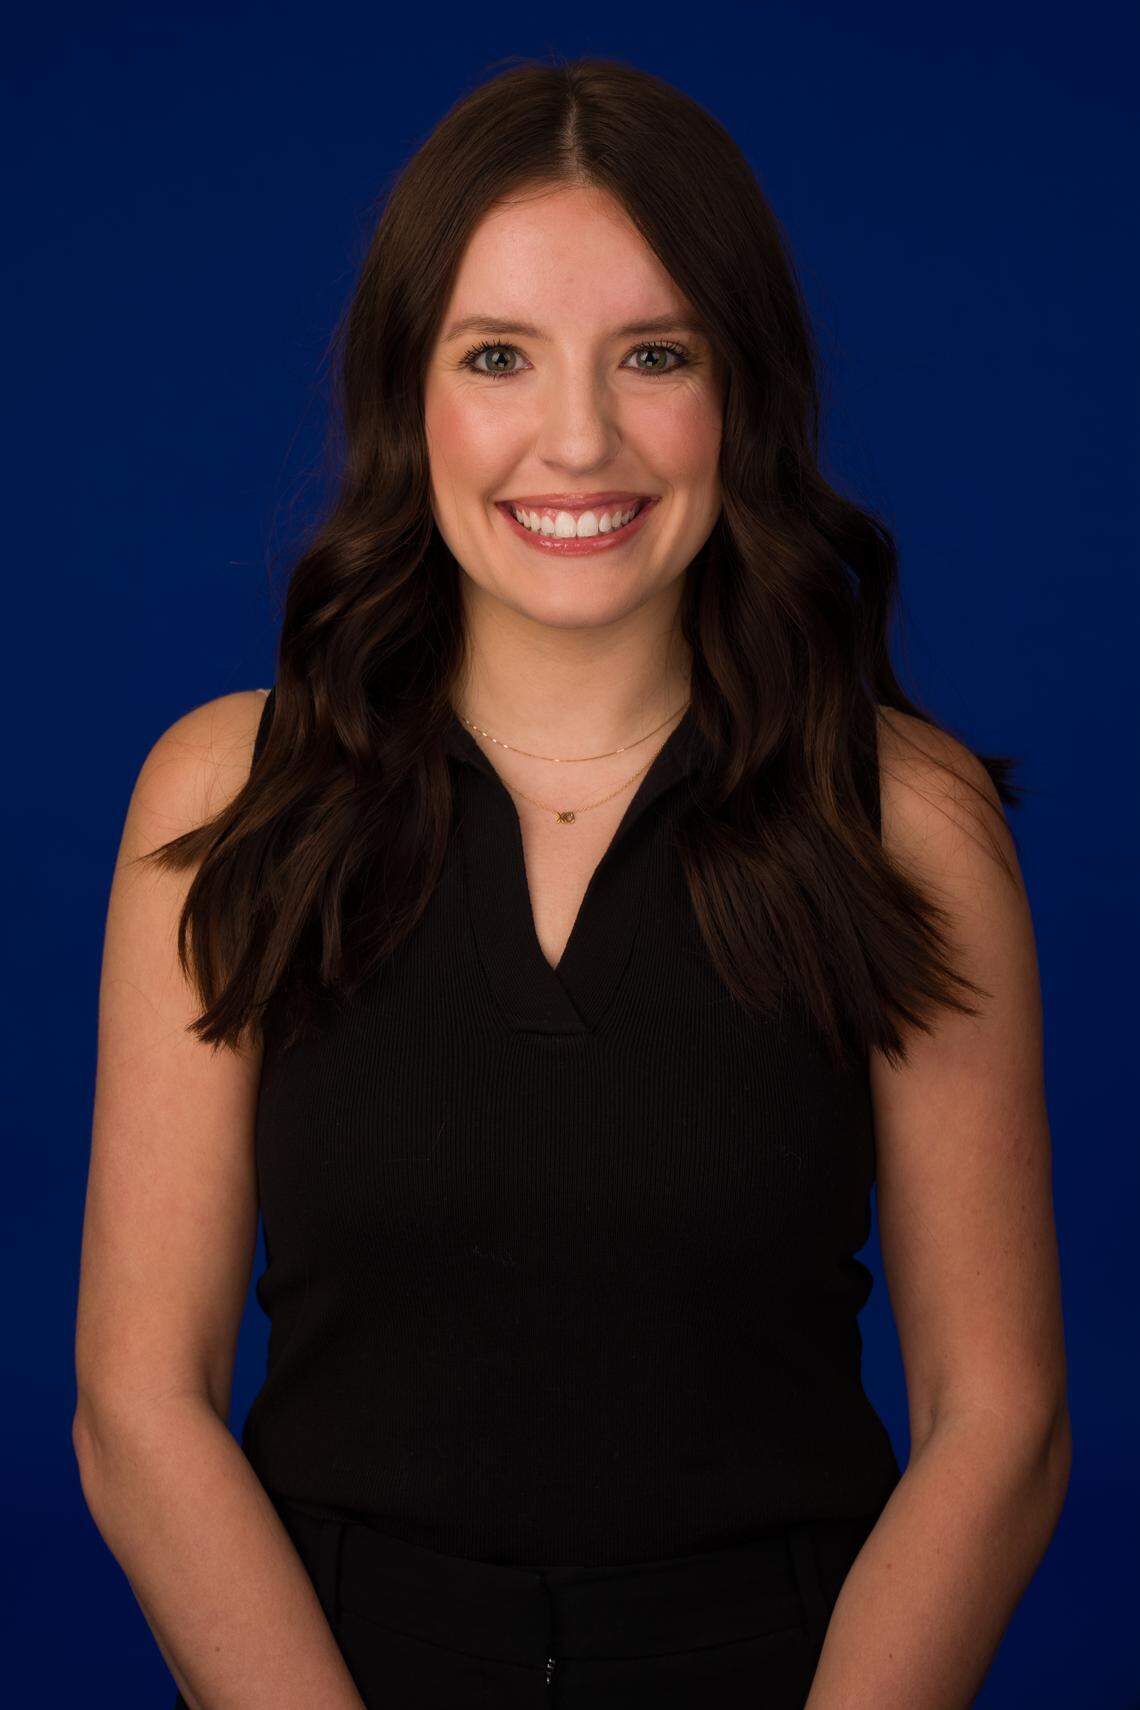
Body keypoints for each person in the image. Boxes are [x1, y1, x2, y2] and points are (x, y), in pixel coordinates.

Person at [73, 54, 1070, 1710]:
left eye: (654, 355)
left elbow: (1003, 1422)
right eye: (500, 357)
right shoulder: (225, 795)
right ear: (411, 394)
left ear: (742, 389)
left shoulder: (905, 819)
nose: (580, 437)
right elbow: (134, 1404)